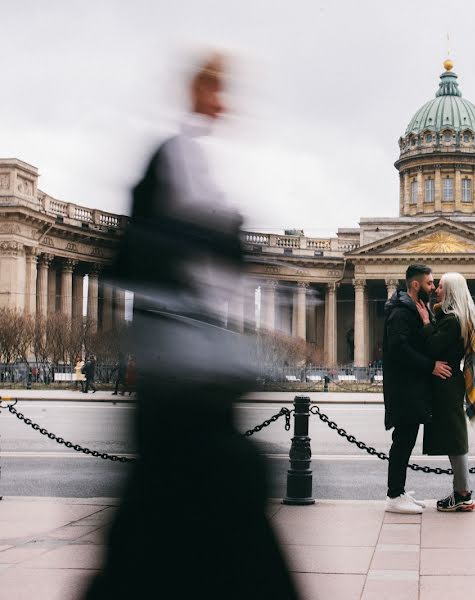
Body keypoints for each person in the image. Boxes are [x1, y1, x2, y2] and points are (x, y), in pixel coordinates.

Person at [84, 53, 299, 600]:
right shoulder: (179, 153)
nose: (225, 101)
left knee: (160, 511)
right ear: (200, 92)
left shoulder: (186, 152)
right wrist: (228, 240)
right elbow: (196, 248)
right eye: (217, 89)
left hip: (179, 365)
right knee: (214, 500)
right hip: (183, 367)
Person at [382, 264, 451, 514]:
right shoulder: (401, 313)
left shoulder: (412, 309)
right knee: (402, 441)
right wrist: (430, 366)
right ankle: (393, 495)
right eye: (430, 283)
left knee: (406, 440)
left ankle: (398, 491)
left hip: (410, 386)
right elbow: (399, 350)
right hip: (404, 388)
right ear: (415, 284)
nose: (433, 288)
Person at [422, 272, 475, 512]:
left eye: (441, 287)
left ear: (451, 292)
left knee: (455, 439)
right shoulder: (455, 318)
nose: (436, 290)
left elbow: (431, 346)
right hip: (450, 381)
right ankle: (461, 491)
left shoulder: (452, 320)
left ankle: (463, 494)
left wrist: (425, 321)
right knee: (452, 438)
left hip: (446, 383)